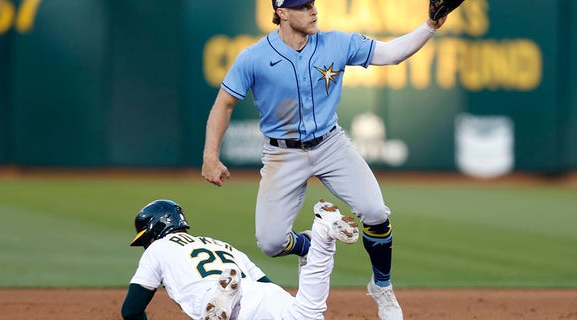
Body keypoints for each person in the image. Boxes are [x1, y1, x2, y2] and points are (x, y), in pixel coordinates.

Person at [202, 1, 448, 319]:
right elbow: (224, 104)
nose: (313, 10)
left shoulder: (336, 43)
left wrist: (431, 25)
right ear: (282, 13)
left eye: (312, 3)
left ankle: (382, 287)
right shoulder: (254, 57)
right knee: (271, 243)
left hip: (331, 145)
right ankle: (311, 243)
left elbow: (391, 54)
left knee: (375, 211)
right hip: (283, 154)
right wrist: (210, 155)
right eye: (302, 6)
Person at [121, 198, 359, 320]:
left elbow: (131, 311)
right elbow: (268, 287)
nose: (146, 245)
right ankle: (323, 235)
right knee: (307, 313)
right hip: (264, 294)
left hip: (214, 297)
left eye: (146, 239)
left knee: (213, 305)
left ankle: (223, 298)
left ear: (155, 231)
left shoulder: (158, 248)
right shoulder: (221, 244)